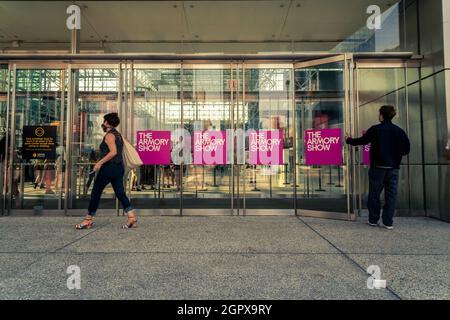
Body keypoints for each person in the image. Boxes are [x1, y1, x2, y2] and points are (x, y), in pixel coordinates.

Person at [346, 105, 410, 230]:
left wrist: (348, 140)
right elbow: (406, 149)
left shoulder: (375, 129)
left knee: (374, 195)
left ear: (381, 115)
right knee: (391, 195)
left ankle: (373, 219)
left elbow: (362, 141)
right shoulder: (399, 131)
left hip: (378, 168)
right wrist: (395, 156)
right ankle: (388, 222)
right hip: (393, 168)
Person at [75, 113, 137, 230]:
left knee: (96, 192)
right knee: (120, 193)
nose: (103, 124)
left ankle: (88, 220)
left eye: (104, 121)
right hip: (119, 168)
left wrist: (99, 163)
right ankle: (131, 217)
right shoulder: (118, 135)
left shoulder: (109, 136)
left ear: (108, 123)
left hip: (109, 168)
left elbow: (113, 152)